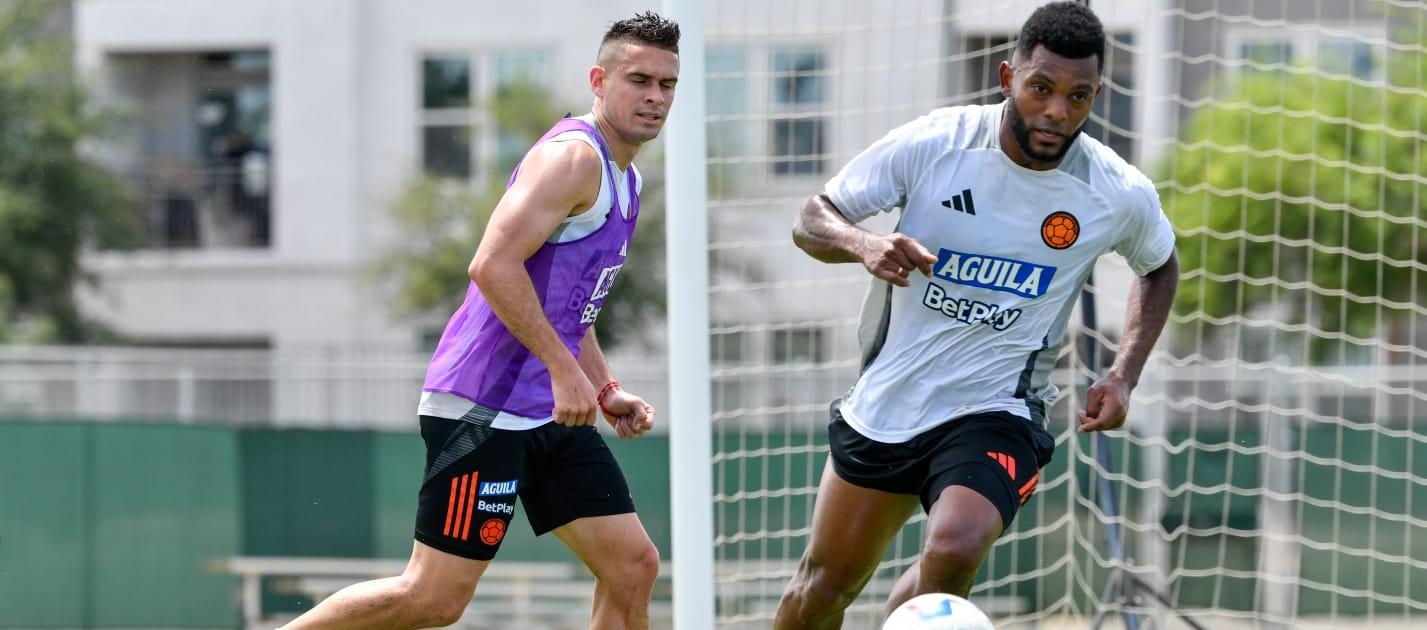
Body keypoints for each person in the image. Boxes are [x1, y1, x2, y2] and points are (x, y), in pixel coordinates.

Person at [773, 3, 1180, 628]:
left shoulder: (1114, 191)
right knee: (822, 588)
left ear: (1096, 96)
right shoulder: (937, 142)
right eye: (1041, 88)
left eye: (1078, 97)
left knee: (955, 545)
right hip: (890, 400)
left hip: (1000, 409)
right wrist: (864, 244)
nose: (1056, 112)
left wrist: (1124, 373)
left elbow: (1159, 265)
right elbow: (812, 218)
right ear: (1006, 77)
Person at [282, 11, 680, 630]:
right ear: (599, 80)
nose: (654, 97)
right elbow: (491, 265)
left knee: (633, 566)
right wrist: (561, 370)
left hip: (550, 407)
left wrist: (600, 387)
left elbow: (571, 304)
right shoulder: (574, 159)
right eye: (639, 80)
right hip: (483, 405)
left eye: (666, 84)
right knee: (433, 599)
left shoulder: (627, 179)